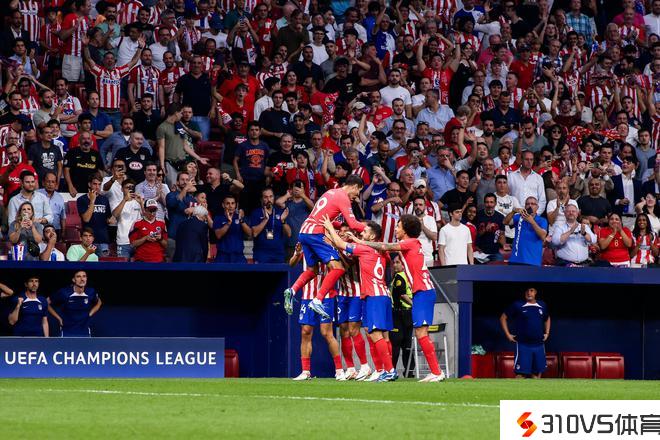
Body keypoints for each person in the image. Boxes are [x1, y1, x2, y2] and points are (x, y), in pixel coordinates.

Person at [349, 214, 446, 382]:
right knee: (420, 332)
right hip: (421, 292)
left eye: (399, 226)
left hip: (423, 291)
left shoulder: (411, 242)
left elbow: (385, 246)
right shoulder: (412, 244)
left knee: (421, 332)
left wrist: (360, 242)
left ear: (406, 230)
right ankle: (436, 372)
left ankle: (437, 372)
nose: (396, 229)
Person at [323, 218, 398, 382]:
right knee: (382, 335)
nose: (361, 233)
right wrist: (357, 239)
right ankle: (384, 370)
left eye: (364, 231)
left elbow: (340, 244)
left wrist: (329, 228)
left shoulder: (364, 250)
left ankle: (389, 370)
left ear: (372, 237)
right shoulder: (382, 251)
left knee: (375, 334)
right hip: (383, 294)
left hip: (374, 296)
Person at [283, 175, 366, 320]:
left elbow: (324, 218)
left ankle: (292, 290)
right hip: (316, 234)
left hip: (304, 231)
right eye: (358, 191)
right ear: (354, 186)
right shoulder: (343, 197)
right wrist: (369, 228)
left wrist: (341, 226)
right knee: (338, 268)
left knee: (312, 270)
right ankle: (317, 300)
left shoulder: (330, 192)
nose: (357, 196)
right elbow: (353, 224)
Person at [289, 245, 344, 381]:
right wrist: (297, 253)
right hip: (307, 295)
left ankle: (339, 370)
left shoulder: (325, 244)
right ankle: (305, 371)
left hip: (325, 295)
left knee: (326, 333)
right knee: (305, 332)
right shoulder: (305, 244)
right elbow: (291, 264)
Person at [499, 287, 550, 379]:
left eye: (531, 291)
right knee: (520, 375)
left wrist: (547, 332)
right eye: (527, 291)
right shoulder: (517, 305)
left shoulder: (542, 305)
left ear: (535, 292)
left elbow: (547, 318)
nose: (529, 293)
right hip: (523, 345)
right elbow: (503, 318)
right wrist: (508, 335)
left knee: (536, 375)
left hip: (539, 344)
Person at [48, 271, 102, 337]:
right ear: (73, 280)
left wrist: (90, 313)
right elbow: (47, 302)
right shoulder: (64, 292)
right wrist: (59, 318)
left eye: (84, 276)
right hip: (67, 332)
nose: (82, 279)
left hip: (85, 332)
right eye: (78, 276)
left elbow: (99, 302)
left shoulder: (91, 292)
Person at [388, 254, 415, 377]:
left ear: (404, 265)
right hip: (408, 314)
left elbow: (403, 295)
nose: (395, 265)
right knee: (407, 344)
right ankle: (409, 371)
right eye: (394, 263)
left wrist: (414, 305)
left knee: (395, 343)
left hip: (399, 313)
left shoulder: (399, 277)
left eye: (398, 262)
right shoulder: (408, 276)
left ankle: (391, 370)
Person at [249, 188, 291, 263]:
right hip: (261, 254)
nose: (269, 199)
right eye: (266, 197)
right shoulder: (256, 213)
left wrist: (283, 221)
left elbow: (289, 233)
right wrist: (265, 220)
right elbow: (254, 233)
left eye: (271, 196)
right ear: (261, 199)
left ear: (274, 198)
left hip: (278, 253)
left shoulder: (279, 212)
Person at [504, 196, 548, 266]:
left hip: (532, 261)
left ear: (537, 207)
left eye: (533, 204)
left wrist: (532, 222)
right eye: (527, 204)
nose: (530, 205)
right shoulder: (519, 217)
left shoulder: (542, 220)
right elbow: (505, 222)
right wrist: (513, 212)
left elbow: (543, 236)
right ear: (525, 206)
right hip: (515, 259)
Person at [77, 174, 112, 256]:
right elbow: (86, 219)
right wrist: (92, 201)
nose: (97, 187)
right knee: (89, 263)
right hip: (88, 240)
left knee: (104, 263)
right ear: (89, 184)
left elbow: (108, 218)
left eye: (99, 184)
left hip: (103, 239)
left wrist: (111, 219)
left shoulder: (105, 199)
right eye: (95, 184)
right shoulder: (82, 199)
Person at [213, 195, 251, 263]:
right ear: (223, 205)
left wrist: (241, 220)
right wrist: (228, 223)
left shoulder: (240, 217)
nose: (230, 206)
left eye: (232, 203)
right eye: (227, 203)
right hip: (223, 256)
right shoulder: (218, 218)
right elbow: (218, 235)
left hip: (238, 256)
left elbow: (250, 233)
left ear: (235, 205)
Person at [111, 179, 143, 258]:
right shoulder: (117, 202)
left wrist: (141, 203)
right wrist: (124, 200)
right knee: (122, 265)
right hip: (123, 241)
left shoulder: (138, 201)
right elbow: (115, 215)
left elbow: (147, 218)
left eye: (132, 187)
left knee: (139, 265)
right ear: (122, 189)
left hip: (138, 241)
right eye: (127, 187)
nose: (130, 189)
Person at [474, 193, 507, 262]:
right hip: (480, 252)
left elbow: (502, 236)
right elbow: (474, 235)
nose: (489, 205)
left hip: (494, 252)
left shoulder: (500, 217)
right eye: (487, 202)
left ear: (495, 203)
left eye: (491, 202)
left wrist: (503, 242)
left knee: (500, 265)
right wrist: (485, 229)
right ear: (484, 203)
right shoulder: (477, 215)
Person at [413, 196, 440, 266]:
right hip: (412, 257)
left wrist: (422, 226)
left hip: (427, 257)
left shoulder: (430, 219)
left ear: (425, 207)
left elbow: (434, 237)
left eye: (420, 205)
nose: (418, 207)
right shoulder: (409, 220)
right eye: (416, 205)